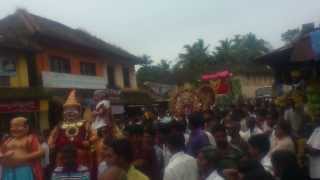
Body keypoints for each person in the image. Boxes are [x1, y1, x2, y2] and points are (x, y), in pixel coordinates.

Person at [48, 90, 90, 167]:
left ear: (79, 112)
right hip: (62, 155)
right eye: (67, 110)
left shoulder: (85, 124)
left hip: (79, 154)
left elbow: (92, 136)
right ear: (63, 113)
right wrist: (50, 142)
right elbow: (52, 135)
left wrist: (88, 141)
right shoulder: (60, 125)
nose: (70, 112)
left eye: (73, 110)